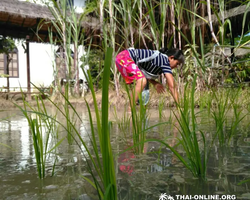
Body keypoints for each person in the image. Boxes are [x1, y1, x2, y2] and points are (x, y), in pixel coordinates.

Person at [115, 47, 185, 109]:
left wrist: (155, 83)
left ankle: (140, 111)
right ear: (171, 58)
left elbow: (143, 73)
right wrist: (179, 107)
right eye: (177, 64)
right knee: (142, 81)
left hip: (123, 57)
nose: (176, 67)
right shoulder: (165, 61)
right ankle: (130, 110)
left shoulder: (159, 60)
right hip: (124, 57)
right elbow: (172, 86)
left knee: (143, 89)